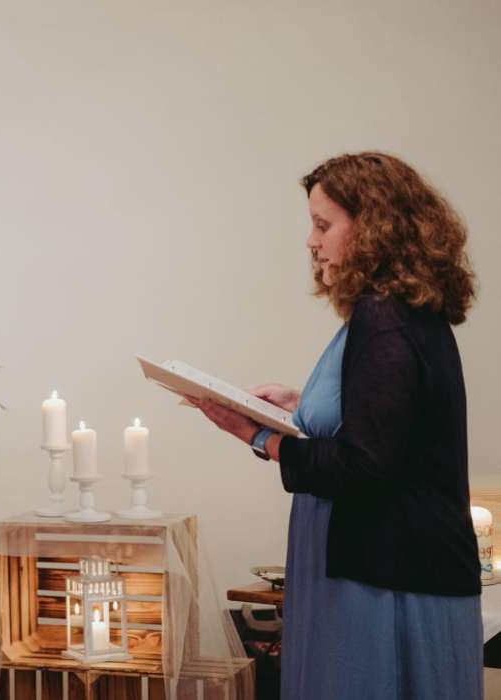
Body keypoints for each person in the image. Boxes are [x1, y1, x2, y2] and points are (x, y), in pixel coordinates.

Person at [193, 152, 481, 699]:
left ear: (374, 227)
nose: (311, 241)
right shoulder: (405, 312)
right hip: (389, 566)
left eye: (323, 225)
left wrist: (256, 435)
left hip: (384, 578)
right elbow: (393, 418)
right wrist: (302, 403)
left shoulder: (384, 317)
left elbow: (364, 465)